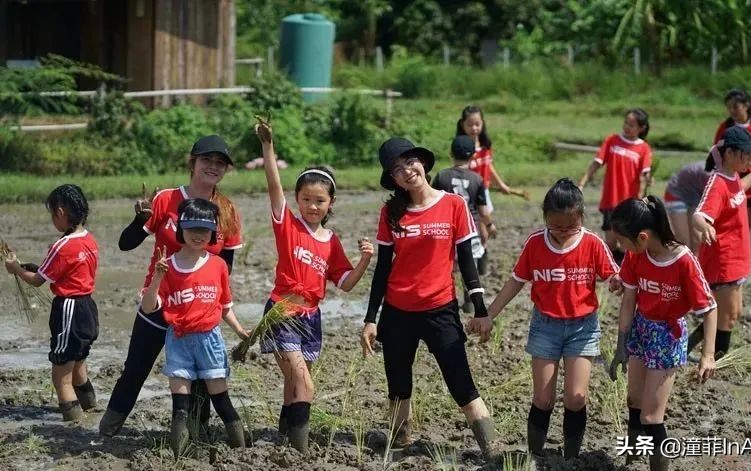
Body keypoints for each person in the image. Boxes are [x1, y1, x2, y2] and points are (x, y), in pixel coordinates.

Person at [360, 137, 499, 458]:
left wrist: (480, 309)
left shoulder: (453, 204)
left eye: (410, 162)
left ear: (422, 163)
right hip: (397, 314)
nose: (407, 171)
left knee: (462, 385)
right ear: (393, 180)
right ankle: (400, 442)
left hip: (441, 311)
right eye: (397, 170)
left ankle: (493, 449)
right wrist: (370, 319)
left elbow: (467, 262)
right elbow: (382, 270)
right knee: (398, 387)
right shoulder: (391, 213)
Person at [100, 135, 243, 437]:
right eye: (207, 160)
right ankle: (107, 431)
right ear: (193, 163)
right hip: (159, 302)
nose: (213, 167)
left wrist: (213, 304)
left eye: (220, 163)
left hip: (197, 309)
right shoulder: (166, 199)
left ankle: (194, 433)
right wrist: (140, 219)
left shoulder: (227, 211)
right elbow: (126, 244)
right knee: (136, 368)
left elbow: (225, 267)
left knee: (202, 376)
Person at [254, 118, 374, 454]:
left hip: (310, 318)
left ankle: (285, 435)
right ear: (297, 199)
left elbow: (346, 283)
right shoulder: (287, 225)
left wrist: (364, 260)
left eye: (320, 200)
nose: (312, 206)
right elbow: (273, 186)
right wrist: (268, 146)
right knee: (304, 382)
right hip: (281, 313)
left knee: (294, 382)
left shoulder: (331, 241)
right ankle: (301, 450)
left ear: (330, 203)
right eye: (306, 199)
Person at [485, 178, 619, 458]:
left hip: (583, 328)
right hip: (546, 327)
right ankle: (535, 455)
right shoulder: (536, 243)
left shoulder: (593, 243)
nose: (562, 233)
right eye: (555, 226)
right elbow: (515, 282)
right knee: (543, 399)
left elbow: (614, 276)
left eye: (569, 226)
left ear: (581, 217)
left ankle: (571, 458)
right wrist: (489, 315)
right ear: (545, 217)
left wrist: (624, 279)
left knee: (576, 397)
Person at [608, 196, 718, 471]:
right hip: (641, 328)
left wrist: (707, 356)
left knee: (651, 416)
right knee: (633, 401)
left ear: (643, 237)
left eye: (622, 241)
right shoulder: (635, 256)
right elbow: (628, 301)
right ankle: (631, 462)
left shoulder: (683, 261)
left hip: (667, 336)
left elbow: (709, 308)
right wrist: (621, 346)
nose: (620, 247)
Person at [140, 198, 249, 457]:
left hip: (209, 341)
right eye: (192, 229)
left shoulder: (218, 265)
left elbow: (225, 306)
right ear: (181, 229)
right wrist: (157, 277)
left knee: (221, 401)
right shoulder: (168, 266)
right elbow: (147, 307)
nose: (198, 235)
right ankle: (181, 456)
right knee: (180, 406)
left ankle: (243, 453)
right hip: (178, 341)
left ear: (213, 232)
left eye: (204, 230)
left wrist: (240, 331)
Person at [3, 184, 99, 422]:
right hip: (88, 308)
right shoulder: (89, 239)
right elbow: (68, 270)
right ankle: (90, 410)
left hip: (68, 309)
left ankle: (73, 422)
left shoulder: (61, 246)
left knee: (60, 375)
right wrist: (36, 269)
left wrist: (15, 268)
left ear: (59, 212)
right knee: (78, 365)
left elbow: (37, 281)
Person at [688, 127, 751, 358]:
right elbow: (699, 215)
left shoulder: (732, 176)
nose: (750, 159)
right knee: (728, 315)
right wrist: (703, 225)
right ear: (729, 153)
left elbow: (739, 190)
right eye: (746, 154)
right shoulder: (717, 183)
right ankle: (717, 360)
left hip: (738, 256)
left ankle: (687, 349)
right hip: (723, 259)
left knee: (733, 313)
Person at [578, 108, 652, 264]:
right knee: (611, 241)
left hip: (629, 204)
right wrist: (581, 184)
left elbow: (644, 176)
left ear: (641, 128)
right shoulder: (612, 140)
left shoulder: (644, 148)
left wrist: (642, 198)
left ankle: (624, 271)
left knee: (627, 242)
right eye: (626, 123)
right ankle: (614, 266)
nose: (627, 127)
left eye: (632, 125)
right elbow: (595, 164)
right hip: (611, 199)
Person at [431, 135, 496, 312]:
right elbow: (483, 211)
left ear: (451, 153)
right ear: (473, 156)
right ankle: (469, 303)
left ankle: (443, 300)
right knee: (470, 268)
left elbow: (432, 202)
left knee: (446, 267)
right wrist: (490, 226)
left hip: (446, 229)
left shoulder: (442, 176)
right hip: (470, 229)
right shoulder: (477, 179)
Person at [713, 89, 751, 263]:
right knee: (742, 224)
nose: (732, 111)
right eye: (729, 107)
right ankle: (743, 257)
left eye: (735, 106)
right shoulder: (726, 127)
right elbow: (717, 151)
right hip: (735, 184)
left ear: (746, 105)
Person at [456, 105, 510, 270]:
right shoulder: (462, 148)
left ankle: (481, 254)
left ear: (482, 124)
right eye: (470, 124)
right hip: (468, 193)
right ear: (462, 125)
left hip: (483, 192)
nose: (474, 128)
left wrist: (501, 185)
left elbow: (489, 166)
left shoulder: (485, 145)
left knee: (483, 227)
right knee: (480, 227)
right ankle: (474, 257)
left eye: (477, 124)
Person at [663, 161, 710, 251]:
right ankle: (683, 263)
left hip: (695, 196)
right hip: (676, 195)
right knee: (684, 242)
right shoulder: (711, 174)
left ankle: (695, 264)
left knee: (697, 240)